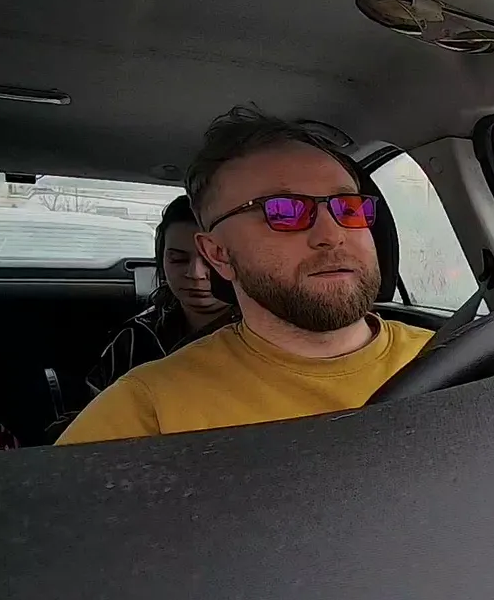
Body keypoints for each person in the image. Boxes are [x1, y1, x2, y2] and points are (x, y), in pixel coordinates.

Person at [56, 107, 435, 445]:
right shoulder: (149, 409)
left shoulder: (454, 360)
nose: (332, 235)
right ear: (218, 254)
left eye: (348, 208)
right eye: (283, 211)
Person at [84, 195, 235, 396]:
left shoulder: (264, 335)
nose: (195, 274)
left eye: (211, 259)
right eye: (178, 259)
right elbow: (96, 406)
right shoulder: (136, 337)